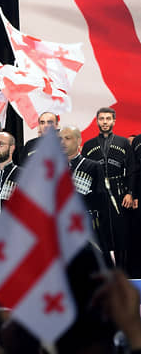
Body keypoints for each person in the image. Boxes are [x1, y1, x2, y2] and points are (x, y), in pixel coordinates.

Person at [82, 107, 138, 271]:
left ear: (114, 121)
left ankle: (123, 273)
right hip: (98, 194)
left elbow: (132, 169)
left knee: (121, 234)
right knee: (100, 232)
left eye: (108, 118)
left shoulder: (123, 143)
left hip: (119, 193)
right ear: (97, 121)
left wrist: (130, 193)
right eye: (102, 119)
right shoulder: (88, 145)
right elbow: (84, 171)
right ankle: (104, 272)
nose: (105, 122)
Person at [60, 126, 108, 254]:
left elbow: (101, 198)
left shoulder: (93, 166)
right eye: (60, 139)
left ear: (79, 141)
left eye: (67, 138)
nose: (62, 142)